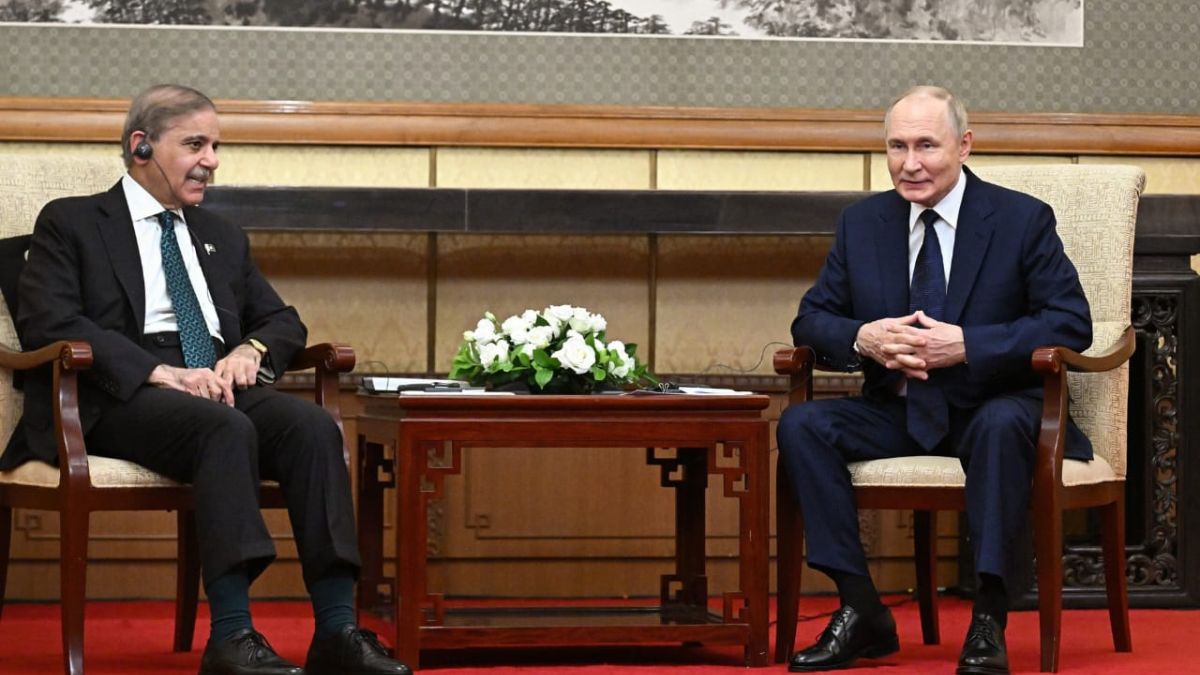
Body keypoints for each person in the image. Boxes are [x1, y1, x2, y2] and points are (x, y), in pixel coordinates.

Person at [0, 84, 410, 675]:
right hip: (118, 392)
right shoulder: (73, 221)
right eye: (195, 143)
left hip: (218, 383)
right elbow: (50, 320)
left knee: (314, 428)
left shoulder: (220, 236)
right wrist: (159, 371)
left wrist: (251, 349)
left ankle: (338, 631)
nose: (212, 159)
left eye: (215, 145)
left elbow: (281, 318)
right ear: (141, 146)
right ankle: (232, 636)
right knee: (223, 429)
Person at [777, 85, 1092, 675]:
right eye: (897, 146)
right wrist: (862, 337)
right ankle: (862, 607)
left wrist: (969, 345)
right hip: (898, 409)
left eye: (927, 145)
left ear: (964, 145)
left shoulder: (1020, 219)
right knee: (802, 424)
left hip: (990, 406)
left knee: (1000, 425)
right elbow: (811, 317)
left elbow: (1071, 322)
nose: (910, 163)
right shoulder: (862, 223)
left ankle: (988, 618)